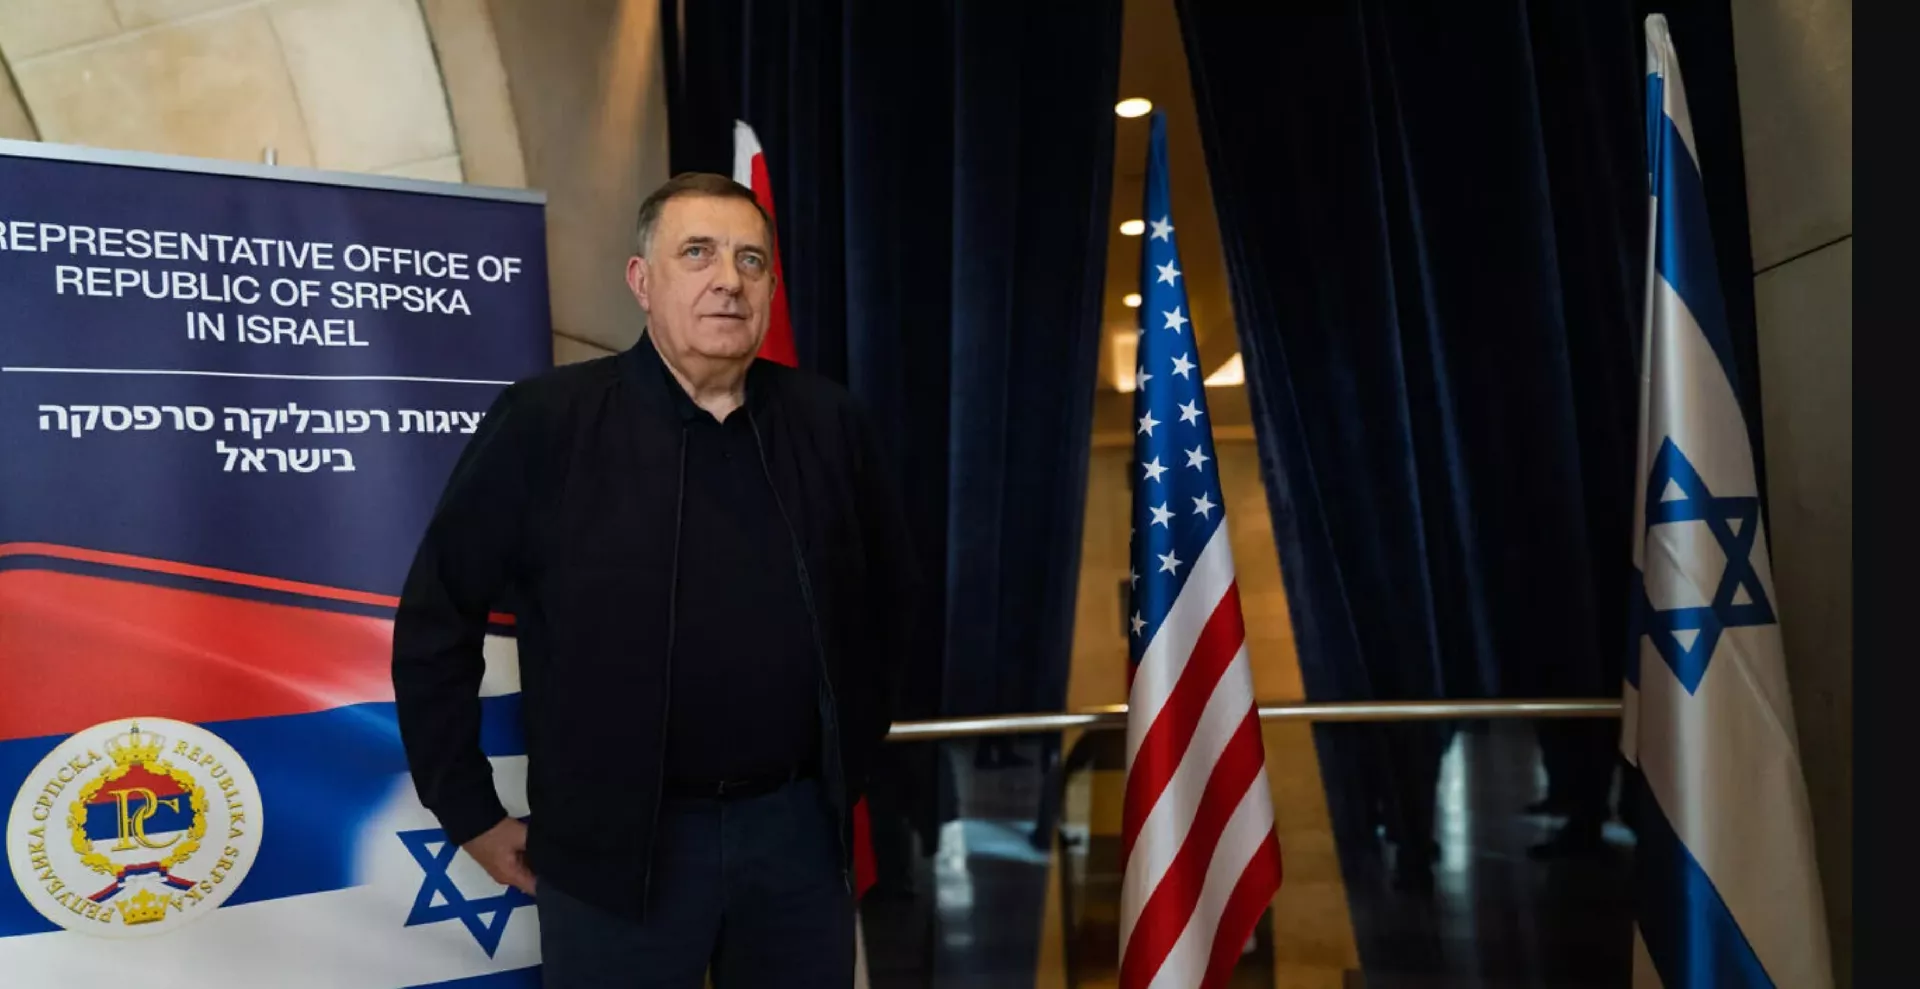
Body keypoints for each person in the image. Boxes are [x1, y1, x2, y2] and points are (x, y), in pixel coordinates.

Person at [392, 171, 919, 988]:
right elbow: (437, 617)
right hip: (613, 848)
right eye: (697, 253)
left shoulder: (830, 423)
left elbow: (888, 607)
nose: (728, 279)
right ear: (642, 281)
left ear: (771, 289)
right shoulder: (545, 423)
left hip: (796, 838)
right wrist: (467, 809)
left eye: (751, 260)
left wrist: (847, 763)